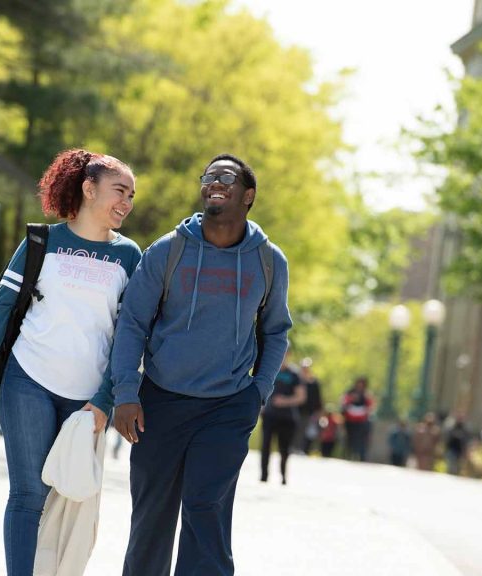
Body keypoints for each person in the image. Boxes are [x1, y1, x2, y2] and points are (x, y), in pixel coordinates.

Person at [0, 149, 141, 576]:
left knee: (70, 497)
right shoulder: (42, 242)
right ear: (89, 189)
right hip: (27, 380)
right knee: (28, 494)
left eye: (132, 195)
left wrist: (106, 399)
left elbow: (130, 337)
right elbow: (0, 309)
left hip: (87, 399)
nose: (126, 202)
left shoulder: (129, 256)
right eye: (119, 191)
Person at [109, 153, 292, 576]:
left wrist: (257, 392)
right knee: (151, 518)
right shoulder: (168, 250)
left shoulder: (268, 260)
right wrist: (125, 393)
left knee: (205, 506)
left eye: (225, 177)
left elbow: (276, 330)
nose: (214, 182)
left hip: (226, 407)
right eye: (208, 176)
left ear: (248, 195)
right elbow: (133, 322)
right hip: (160, 402)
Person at [260, 352, 306, 484]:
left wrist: (285, 401)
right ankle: (263, 476)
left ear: (289, 354)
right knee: (265, 446)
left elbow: (301, 397)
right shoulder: (268, 369)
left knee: (284, 449)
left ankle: (283, 477)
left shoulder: (294, 374)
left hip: (287, 418)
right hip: (269, 415)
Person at [340, 377, 374, 462]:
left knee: (359, 439)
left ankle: (359, 455)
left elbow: (370, 406)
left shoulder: (366, 394)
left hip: (361, 420)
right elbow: (344, 403)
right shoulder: (349, 392)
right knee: (349, 438)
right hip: (349, 420)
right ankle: (348, 454)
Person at [296, 357, 324, 454]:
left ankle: (300, 448)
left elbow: (318, 398)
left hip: (308, 411)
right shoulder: (296, 379)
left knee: (304, 430)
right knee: (294, 429)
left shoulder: (314, 382)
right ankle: (291, 447)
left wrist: (319, 412)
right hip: (295, 409)